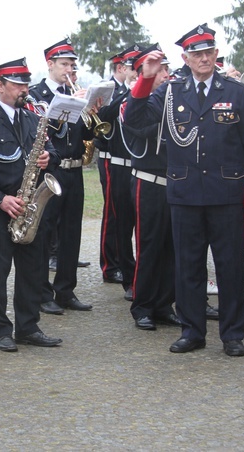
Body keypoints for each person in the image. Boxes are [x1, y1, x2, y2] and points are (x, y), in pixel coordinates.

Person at [125, 24, 244, 357]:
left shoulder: (235, 91)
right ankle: (192, 330)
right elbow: (133, 118)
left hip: (226, 192)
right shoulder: (171, 91)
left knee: (229, 266)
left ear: (216, 54)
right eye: (196, 54)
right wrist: (146, 77)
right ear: (185, 58)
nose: (203, 58)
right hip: (185, 192)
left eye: (208, 52)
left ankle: (232, 335)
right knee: (187, 266)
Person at [0, 57, 63, 352]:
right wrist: (0, 199)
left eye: (26, 84)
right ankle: (1, 330)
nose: (25, 89)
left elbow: (52, 150)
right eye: (18, 84)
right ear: (0, 85)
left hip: (31, 205)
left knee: (33, 269)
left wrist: (49, 159)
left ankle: (28, 326)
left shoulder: (33, 117)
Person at [28, 38, 94, 315]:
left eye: (72, 65)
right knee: (44, 232)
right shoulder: (36, 95)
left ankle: (66, 290)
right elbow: (40, 132)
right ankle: (42, 292)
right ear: (50, 64)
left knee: (71, 232)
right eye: (64, 64)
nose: (69, 70)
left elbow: (88, 135)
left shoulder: (75, 91)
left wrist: (91, 111)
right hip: (49, 171)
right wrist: (67, 107)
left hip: (74, 169)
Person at [119, 44, 181, 331]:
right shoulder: (135, 99)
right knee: (149, 245)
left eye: (166, 68)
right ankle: (142, 305)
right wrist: (146, 83)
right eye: (158, 69)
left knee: (172, 247)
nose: (165, 74)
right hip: (150, 181)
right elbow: (137, 124)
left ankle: (163, 303)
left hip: (176, 182)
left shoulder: (175, 96)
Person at [96, 44, 141, 300]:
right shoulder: (116, 91)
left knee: (144, 226)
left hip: (143, 168)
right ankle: (124, 272)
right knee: (120, 222)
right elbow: (104, 115)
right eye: (131, 67)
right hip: (120, 164)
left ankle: (143, 273)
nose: (135, 72)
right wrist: (129, 94)